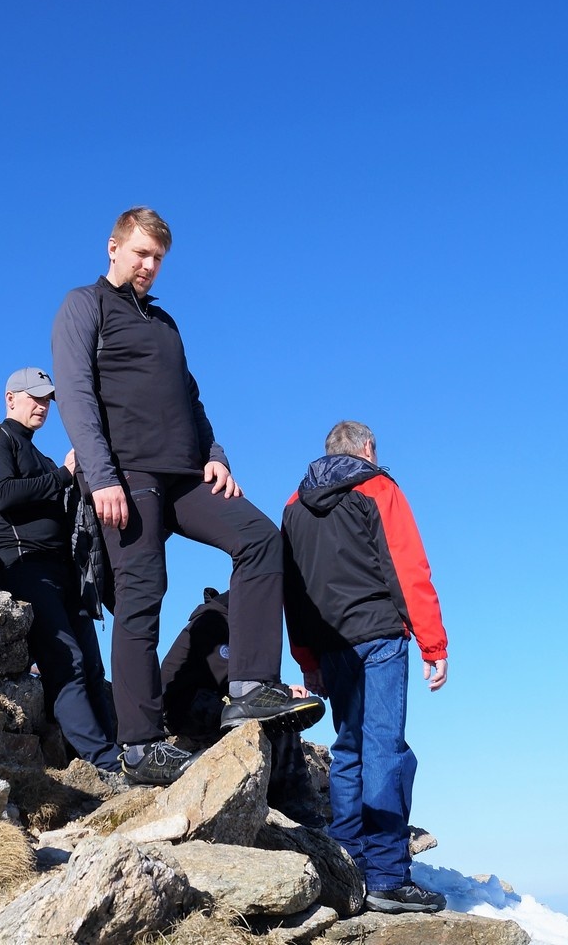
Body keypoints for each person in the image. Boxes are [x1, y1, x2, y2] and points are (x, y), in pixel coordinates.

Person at [52, 206, 323, 785]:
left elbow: (190, 399)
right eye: (141, 253)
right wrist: (101, 476)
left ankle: (250, 686)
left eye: (158, 258)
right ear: (113, 248)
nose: (149, 265)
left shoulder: (165, 323)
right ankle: (139, 746)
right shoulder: (85, 304)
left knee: (260, 539)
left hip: (185, 475)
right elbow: (74, 393)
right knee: (142, 594)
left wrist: (215, 456)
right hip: (128, 474)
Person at [282, 420, 450, 915]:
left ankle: (349, 866)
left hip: (330, 646)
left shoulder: (293, 506)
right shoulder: (377, 487)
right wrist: (433, 642)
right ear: (367, 448)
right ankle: (388, 877)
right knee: (384, 750)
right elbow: (407, 566)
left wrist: (307, 658)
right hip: (378, 637)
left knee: (349, 749)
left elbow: (293, 590)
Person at [0, 367, 121, 774]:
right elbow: (3, 495)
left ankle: (113, 754)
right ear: (10, 398)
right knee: (66, 660)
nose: (43, 406)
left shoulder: (42, 456)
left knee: (92, 666)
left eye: (47, 399)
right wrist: (63, 476)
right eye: (34, 397)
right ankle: (102, 761)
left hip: (62, 571)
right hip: (20, 567)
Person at [160, 588, 323, 823]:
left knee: (273, 713)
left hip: (196, 701)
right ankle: (290, 802)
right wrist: (284, 692)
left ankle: (285, 797)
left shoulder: (223, 621)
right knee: (274, 718)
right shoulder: (215, 623)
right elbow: (233, 677)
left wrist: (282, 690)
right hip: (182, 706)